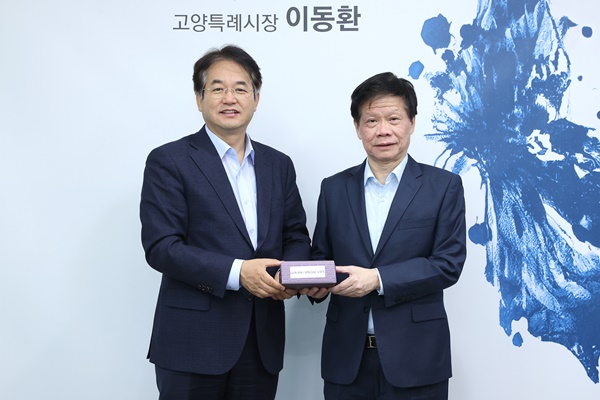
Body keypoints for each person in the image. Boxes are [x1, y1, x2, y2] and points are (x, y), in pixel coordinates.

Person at [140, 44, 311, 400]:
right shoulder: (169, 160)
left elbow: (295, 234)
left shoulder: (278, 165)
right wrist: (239, 272)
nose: (229, 98)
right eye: (217, 88)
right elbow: (162, 247)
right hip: (192, 342)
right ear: (199, 99)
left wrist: (291, 275)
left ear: (256, 98)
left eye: (240, 88)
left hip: (261, 341)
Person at [305, 72, 467, 399]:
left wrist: (377, 279)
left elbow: (447, 264)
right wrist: (313, 285)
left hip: (417, 357)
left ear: (411, 123)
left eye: (393, 119)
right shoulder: (333, 188)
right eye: (371, 121)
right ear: (357, 127)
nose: (383, 130)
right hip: (346, 360)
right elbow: (321, 256)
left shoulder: (443, 186)